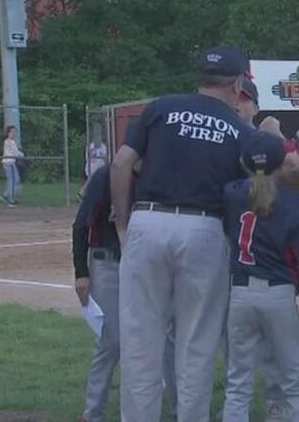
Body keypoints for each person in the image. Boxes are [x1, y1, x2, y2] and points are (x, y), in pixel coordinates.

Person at [110, 45, 253, 422]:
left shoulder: (160, 107)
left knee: (140, 340)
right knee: (197, 343)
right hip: (204, 227)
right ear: (238, 86)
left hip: (148, 220)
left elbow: (122, 162)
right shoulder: (239, 128)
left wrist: (123, 223)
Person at [222, 132, 299, 422]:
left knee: (238, 385)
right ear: (282, 162)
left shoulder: (232, 192)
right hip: (278, 293)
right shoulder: (293, 201)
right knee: (295, 382)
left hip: (240, 292)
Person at [72, 165, 177, 422]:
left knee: (166, 336)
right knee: (112, 340)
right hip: (107, 261)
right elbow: (80, 225)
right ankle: (92, 413)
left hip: (147, 266)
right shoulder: (106, 176)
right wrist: (81, 272)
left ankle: (180, 411)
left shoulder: (158, 176)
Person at [0, 126, 23, 207]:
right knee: (13, 181)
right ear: (8, 133)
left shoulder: (10, 142)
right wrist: (22, 154)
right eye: (12, 132)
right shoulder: (9, 142)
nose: (14, 133)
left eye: (15, 132)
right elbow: (16, 153)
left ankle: (5, 195)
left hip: (10, 163)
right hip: (9, 163)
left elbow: (16, 152)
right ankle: (11, 200)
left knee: (15, 180)